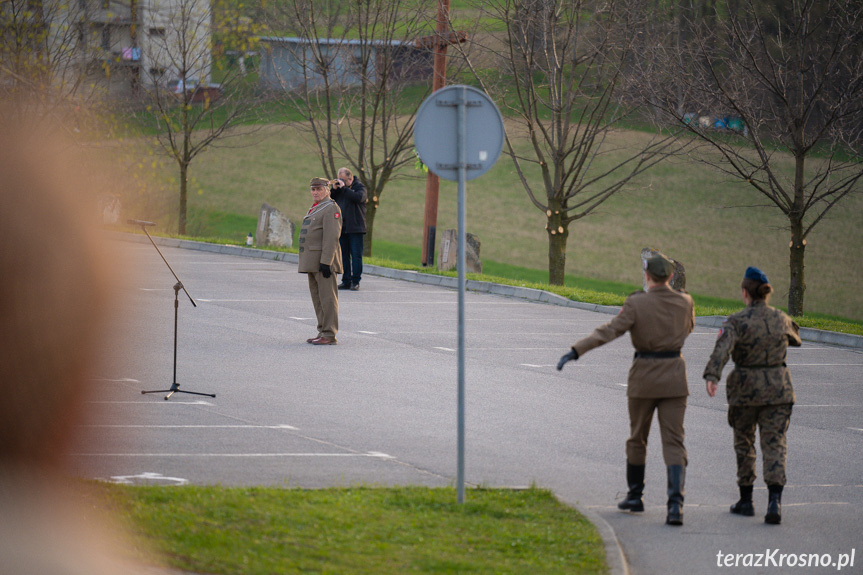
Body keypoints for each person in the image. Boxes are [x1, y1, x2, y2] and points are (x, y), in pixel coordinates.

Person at [557, 253, 695, 526]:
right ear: (670, 276)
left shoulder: (637, 303)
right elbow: (688, 328)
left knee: (637, 438)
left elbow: (609, 331)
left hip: (644, 376)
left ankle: (635, 496)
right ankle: (675, 505)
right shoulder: (686, 302)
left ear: (647, 276)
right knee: (674, 440)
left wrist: (575, 351)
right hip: (675, 377)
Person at [703, 266, 801, 525]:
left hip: (745, 390)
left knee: (744, 443)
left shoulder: (736, 321)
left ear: (745, 293)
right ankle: (774, 502)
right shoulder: (781, 318)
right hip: (779, 390)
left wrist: (712, 376)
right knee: (775, 443)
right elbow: (796, 338)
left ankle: (746, 501)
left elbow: (722, 350)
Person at [298, 177, 343, 345]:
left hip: (323, 262)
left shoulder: (331, 208)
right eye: (313, 189)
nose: (315, 192)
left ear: (327, 190)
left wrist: (326, 262)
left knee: (327, 298)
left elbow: (332, 238)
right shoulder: (317, 207)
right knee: (318, 298)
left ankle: (329, 334)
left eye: (319, 189)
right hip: (313, 261)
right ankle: (322, 330)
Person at [330, 167, 367, 291]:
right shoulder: (341, 190)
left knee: (356, 255)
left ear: (350, 179)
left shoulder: (360, 187)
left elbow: (358, 198)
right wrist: (334, 190)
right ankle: (346, 280)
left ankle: (355, 281)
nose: (341, 182)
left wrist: (344, 188)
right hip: (343, 227)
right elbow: (330, 200)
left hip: (356, 228)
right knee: (343, 255)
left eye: (343, 180)